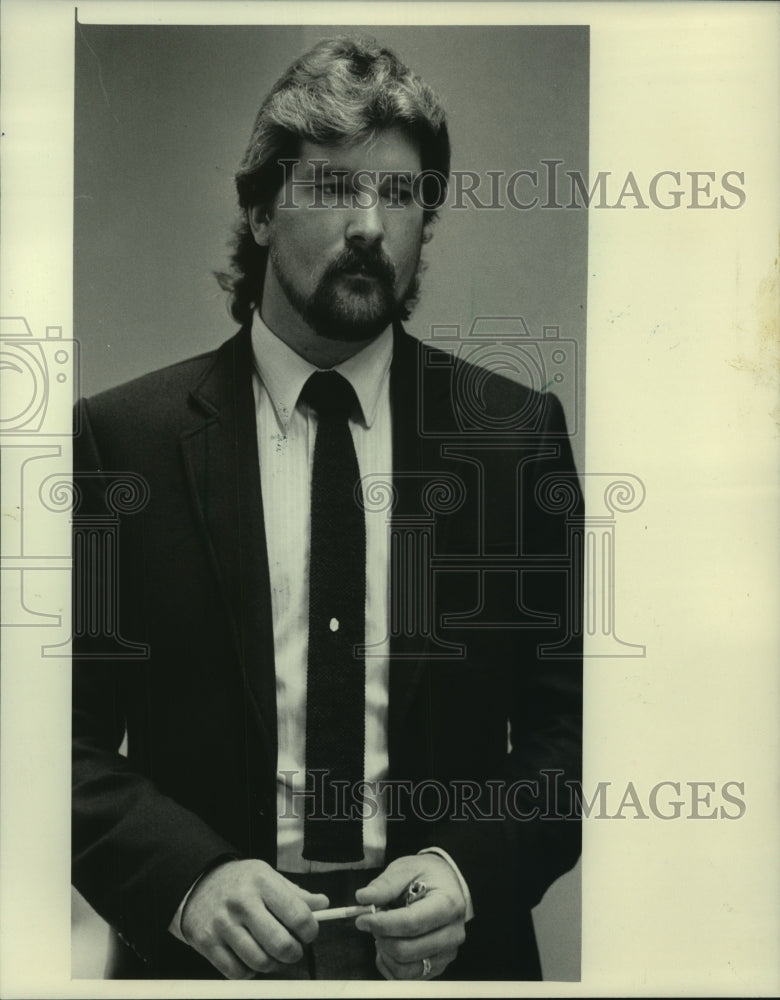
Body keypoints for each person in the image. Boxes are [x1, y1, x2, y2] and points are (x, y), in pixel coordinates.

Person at [72, 35, 583, 981]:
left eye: (399, 196)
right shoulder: (121, 444)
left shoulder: (514, 440)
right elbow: (53, 740)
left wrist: (467, 871)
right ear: (261, 209)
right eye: (333, 188)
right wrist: (189, 882)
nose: (368, 224)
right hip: (207, 964)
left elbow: (577, 732)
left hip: (452, 964)